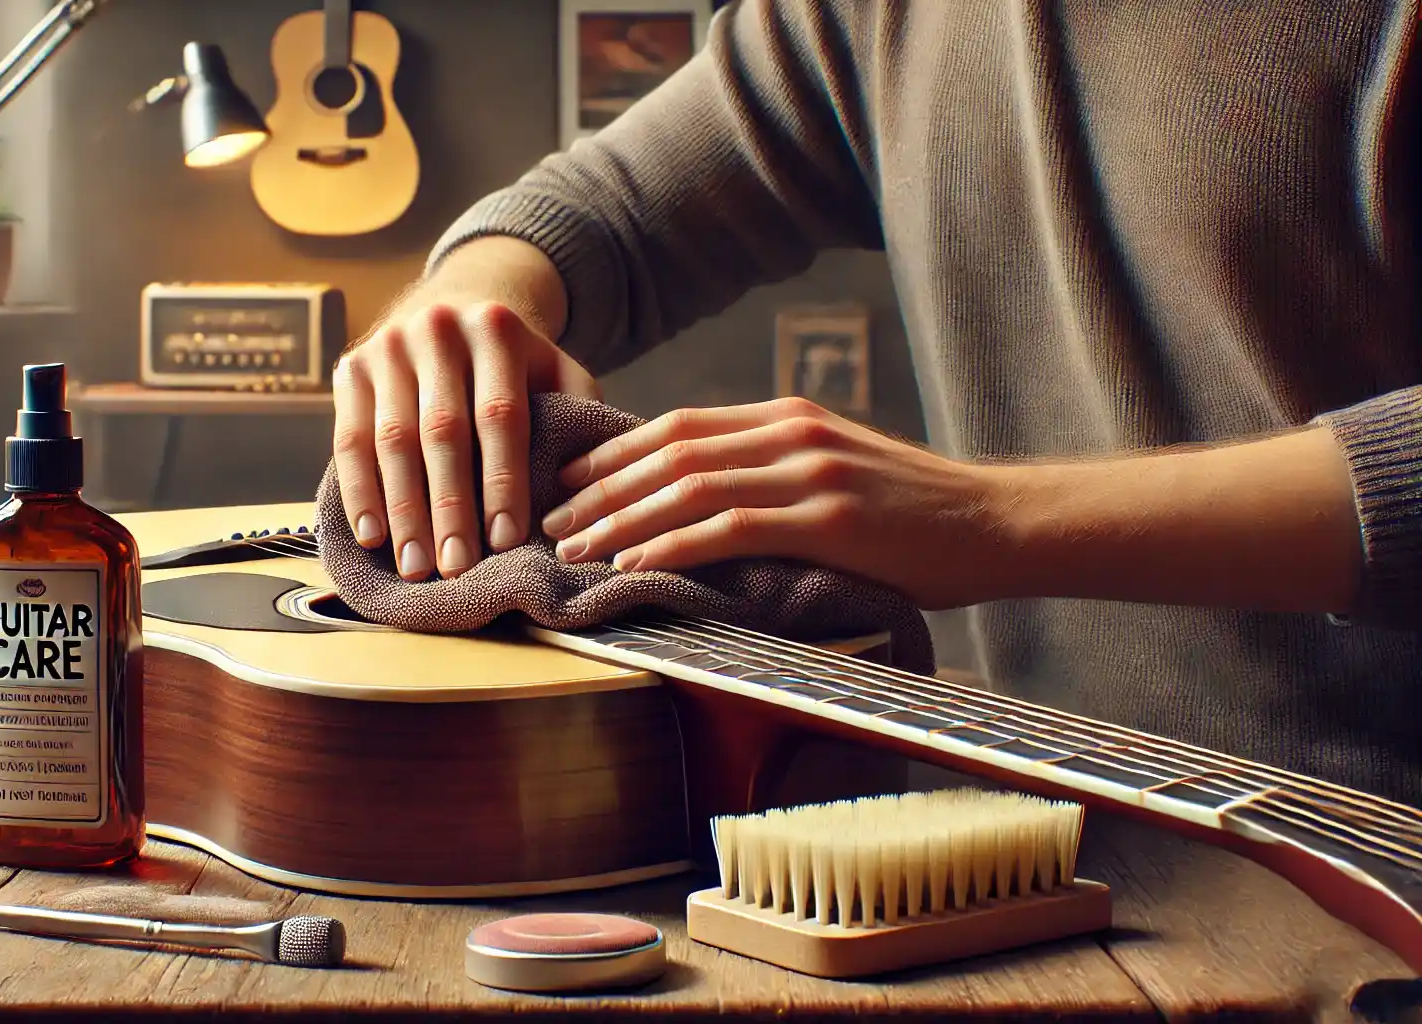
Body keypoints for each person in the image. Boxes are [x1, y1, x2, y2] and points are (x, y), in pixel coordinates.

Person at [328, 0, 1422, 805]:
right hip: (1067, 816)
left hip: (1380, 855)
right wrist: (471, 295)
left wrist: (982, 520)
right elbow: (600, 213)